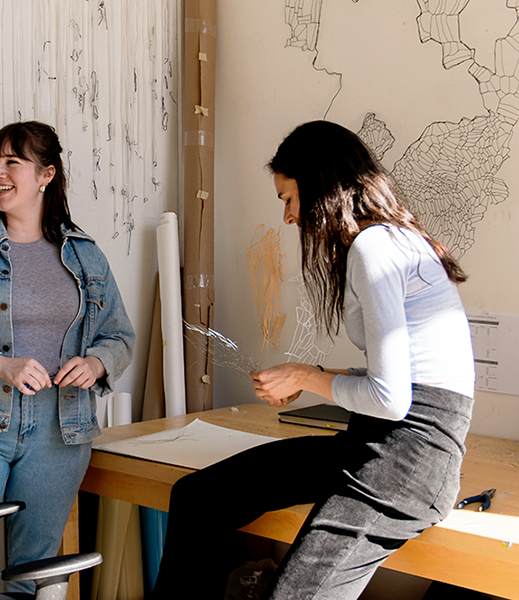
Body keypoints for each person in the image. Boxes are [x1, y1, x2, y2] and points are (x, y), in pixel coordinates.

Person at [152, 120, 475, 599]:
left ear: (321, 185)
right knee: (200, 498)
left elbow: (391, 400)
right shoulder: (393, 242)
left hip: (408, 462)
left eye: (287, 198)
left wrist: (308, 375)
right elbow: (401, 382)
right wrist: (314, 378)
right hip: (374, 444)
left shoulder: (375, 246)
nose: (286, 217)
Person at [0, 120, 135, 594]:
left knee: (32, 573)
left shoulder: (85, 256)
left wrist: (97, 363)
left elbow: (120, 336)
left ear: (46, 175)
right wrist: (0, 365)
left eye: (12, 162)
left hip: (61, 431)